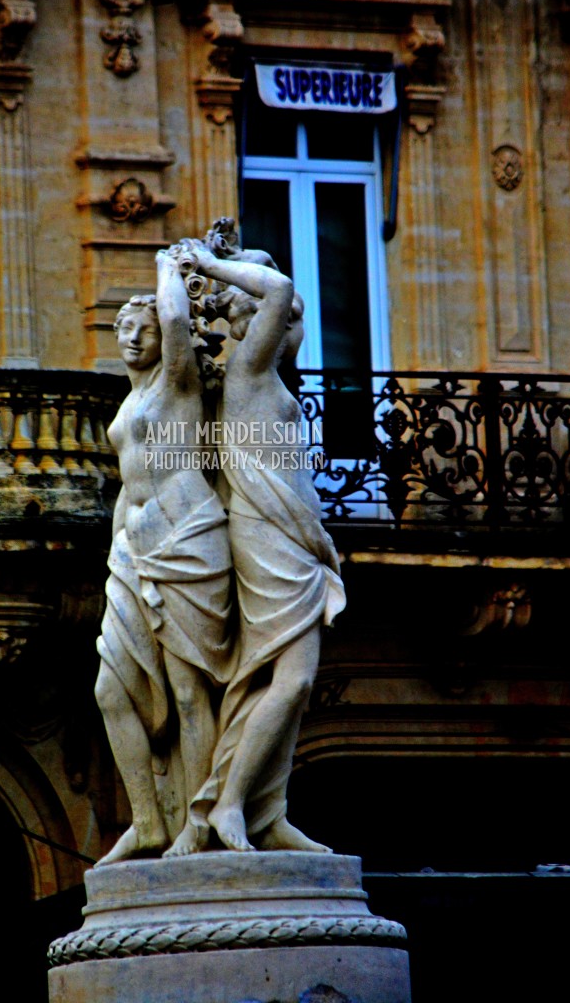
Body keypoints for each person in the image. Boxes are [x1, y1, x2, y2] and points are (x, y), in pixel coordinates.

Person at [186, 247, 346, 853]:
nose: (293, 325)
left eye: (299, 319)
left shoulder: (270, 377)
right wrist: (207, 261)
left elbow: (282, 298)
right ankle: (227, 803)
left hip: (292, 539)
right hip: (267, 537)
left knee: (280, 683)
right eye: (286, 318)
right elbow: (277, 289)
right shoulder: (250, 373)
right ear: (253, 319)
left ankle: (266, 811)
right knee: (294, 678)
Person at [94, 250, 233, 863]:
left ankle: (196, 824)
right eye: (122, 329)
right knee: (110, 689)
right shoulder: (128, 404)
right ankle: (148, 821)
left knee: (187, 691)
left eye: (141, 330)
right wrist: (118, 548)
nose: (130, 338)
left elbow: (179, 323)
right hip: (132, 547)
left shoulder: (177, 384)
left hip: (184, 536)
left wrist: (169, 267)